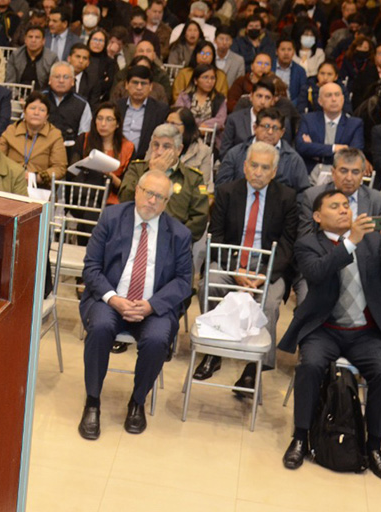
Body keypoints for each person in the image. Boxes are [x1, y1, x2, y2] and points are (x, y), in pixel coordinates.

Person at [279, 189, 381, 482]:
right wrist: (349, 243)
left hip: (365, 332)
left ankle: (374, 447)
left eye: (346, 205)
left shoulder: (372, 240)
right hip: (324, 329)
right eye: (334, 206)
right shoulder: (308, 244)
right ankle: (300, 436)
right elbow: (318, 273)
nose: (344, 210)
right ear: (318, 217)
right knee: (309, 366)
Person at [78, 169, 193, 439]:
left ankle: (137, 402)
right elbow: (91, 267)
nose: (152, 201)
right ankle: (92, 401)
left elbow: (183, 282)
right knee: (101, 327)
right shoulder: (111, 217)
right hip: (110, 298)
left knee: (156, 339)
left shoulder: (179, 234)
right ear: (137, 191)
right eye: (149, 193)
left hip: (152, 306)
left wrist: (152, 305)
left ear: (166, 203)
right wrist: (114, 299)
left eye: (160, 197)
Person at [193, 142, 299, 386]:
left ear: (274, 171)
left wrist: (263, 274)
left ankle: (256, 365)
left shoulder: (287, 197)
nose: (258, 172)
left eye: (265, 167)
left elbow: (287, 244)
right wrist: (235, 269)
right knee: (210, 282)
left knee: (270, 302)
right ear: (244, 166)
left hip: (267, 266)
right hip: (231, 261)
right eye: (254, 166)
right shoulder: (227, 192)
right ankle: (213, 350)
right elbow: (216, 236)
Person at [118, 124, 211, 242]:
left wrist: (172, 238)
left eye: (166, 146)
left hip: (173, 244)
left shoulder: (193, 178)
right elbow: (125, 200)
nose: (159, 152)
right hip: (133, 236)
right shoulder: (137, 169)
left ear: (178, 150)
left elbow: (199, 219)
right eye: (156, 145)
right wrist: (152, 173)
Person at [217, 107, 312, 191]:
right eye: (266, 126)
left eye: (275, 128)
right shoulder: (236, 153)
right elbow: (221, 187)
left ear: (282, 132)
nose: (270, 132)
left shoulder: (293, 159)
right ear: (255, 128)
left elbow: (303, 193)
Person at [295, 81, 365, 174]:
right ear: (320, 101)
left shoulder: (354, 124)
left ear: (343, 99)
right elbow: (301, 147)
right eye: (328, 95)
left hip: (341, 173)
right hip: (311, 173)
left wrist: (314, 148)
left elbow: (354, 154)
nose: (334, 99)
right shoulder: (308, 120)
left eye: (337, 95)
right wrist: (334, 148)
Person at [0, 92, 67, 186]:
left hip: (40, 187)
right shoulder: (11, 131)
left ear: (47, 116)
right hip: (10, 182)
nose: (36, 113)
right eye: (32, 108)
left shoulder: (54, 135)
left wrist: (36, 177)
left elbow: (60, 168)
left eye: (42, 110)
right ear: (25, 112)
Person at [115, 65, 169, 161]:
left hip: (144, 161)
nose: (139, 88)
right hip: (115, 158)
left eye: (143, 83)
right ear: (126, 85)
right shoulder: (116, 107)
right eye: (135, 83)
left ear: (151, 87)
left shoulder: (160, 110)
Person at [167, 107, 214, 191]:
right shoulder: (157, 145)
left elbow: (203, 186)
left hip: (189, 196)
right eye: (167, 123)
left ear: (187, 126)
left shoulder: (203, 151)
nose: (168, 127)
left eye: (173, 124)